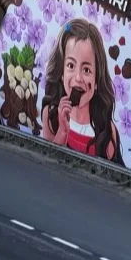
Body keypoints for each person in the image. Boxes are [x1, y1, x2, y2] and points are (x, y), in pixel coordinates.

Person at [40, 18, 122, 164]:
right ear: (62, 73)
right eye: (71, 65)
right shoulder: (50, 115)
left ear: (96, 80)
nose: (78, 78)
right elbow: (46, 165)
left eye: (86, 70)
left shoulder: (107, 131)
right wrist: (62, 132)